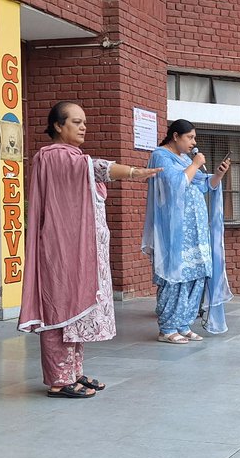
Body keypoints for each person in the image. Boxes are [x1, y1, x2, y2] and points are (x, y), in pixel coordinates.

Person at [18, 102, 160, 398]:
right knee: (60, 309)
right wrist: (135, 172)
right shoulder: (53, 156)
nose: (83, 127)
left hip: (79, 249)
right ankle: (58, 380)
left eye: (84, 122)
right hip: (61, 249)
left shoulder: (71, 157)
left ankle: (73, 372)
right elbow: (98, 168)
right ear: (58, 126)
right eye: (76, 122)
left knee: (76, 311)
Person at [141, 119, 233, 344]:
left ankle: (184, 323)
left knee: (197, 275)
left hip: (196, 229)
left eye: (194, 137)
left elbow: (203, 185)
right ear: (175, 136)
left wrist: (218, 174)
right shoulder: (161, 156)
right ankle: (167, 327)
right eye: (190, 137)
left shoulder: (184, 159)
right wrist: (195, 164)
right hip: (175, 230)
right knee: (175, 276)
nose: (194, 142)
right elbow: (175, 185)